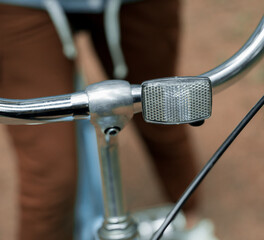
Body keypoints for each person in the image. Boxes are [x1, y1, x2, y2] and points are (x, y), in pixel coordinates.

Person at [0, 0, 200, 239]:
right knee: (50, 178)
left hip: (135, 5)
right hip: (21, 5)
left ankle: (191, 219)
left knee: (165, 117)